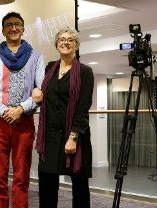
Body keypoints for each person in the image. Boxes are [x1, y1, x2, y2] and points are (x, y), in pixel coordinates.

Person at [0, 12, 45, 208]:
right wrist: (6, 112)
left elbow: (40, 91)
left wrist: (20, 109)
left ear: (23, 29)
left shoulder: (36, 56)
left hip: (23, 122)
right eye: (9, 25)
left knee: (21, 176)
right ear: (3, 30)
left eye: (17, 24)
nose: (13, 28)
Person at [35, 27, 94, 208]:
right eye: (62, 39)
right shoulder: (49, 69)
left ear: (76, 45)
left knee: (80, 188)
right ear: (56, 44)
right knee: (47, 188)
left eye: (70, 39)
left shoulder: (85, 72)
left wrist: (73, 137)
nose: (65, 42)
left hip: (74, 137)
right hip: (50, 137)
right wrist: (36, 90)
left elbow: (83, 107)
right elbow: (39, 92)